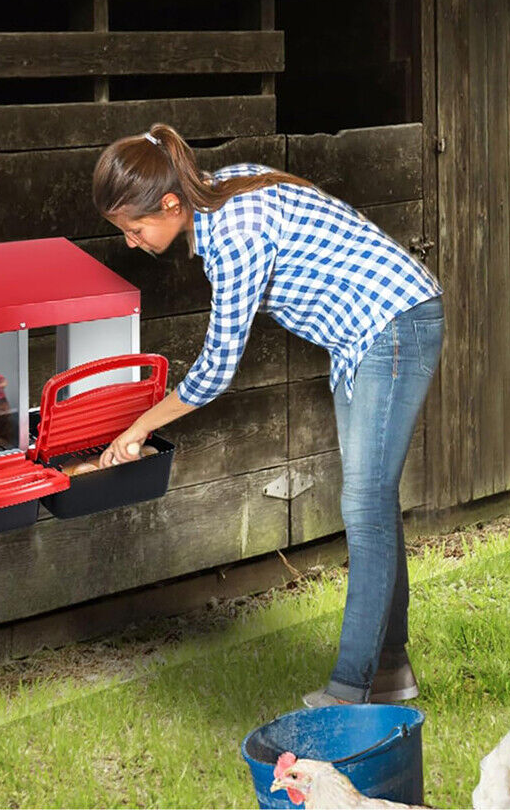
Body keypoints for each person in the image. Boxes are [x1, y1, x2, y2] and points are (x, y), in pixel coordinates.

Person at [93, 123, 445, 707]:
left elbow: (215, 369)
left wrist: (140, 425)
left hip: (395, 325)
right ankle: (388, 672)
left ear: (171, 203)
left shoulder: (233, 235)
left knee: (365, 502)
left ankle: (349, 692)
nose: (132, 242)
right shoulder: (222, 189)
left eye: (134, 229)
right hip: (367, 338)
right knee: (372, 501)